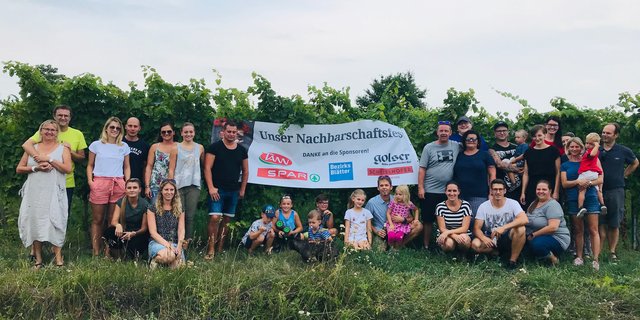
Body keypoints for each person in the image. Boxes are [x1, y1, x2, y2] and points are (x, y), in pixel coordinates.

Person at [16, 120, 72, 269]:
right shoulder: (32, 148)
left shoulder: (62, 149)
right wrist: (36, 168)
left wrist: (50, 160)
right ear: (40, 131)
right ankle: (38, 259)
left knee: (56, 222)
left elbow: (67, 169)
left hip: (54, 191)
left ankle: (58, 259)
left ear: (57, 132)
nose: (49, 132)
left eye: (53, 130)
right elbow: (19, 168)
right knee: (35, 222)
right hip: (35, 191)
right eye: (46, 129)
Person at [22, 105, 87, 213]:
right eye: (60, 115)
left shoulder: (77, 134)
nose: (63, 118)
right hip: (43, 180)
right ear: (54, 116)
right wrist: (41, 160)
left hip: (66, 182)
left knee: (61, 215)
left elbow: (81, 158)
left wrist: (69, 151)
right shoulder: (46, 130)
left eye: (66, 115)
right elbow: (26, 145)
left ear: (70, 118)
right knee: (41, 213)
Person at [204, 120, 249, 259]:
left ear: (237, 133)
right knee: (215, 217)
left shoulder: (242, 150)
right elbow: (207, 168)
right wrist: (211, 188)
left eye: (234, 132)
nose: (231, 134)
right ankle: (210, 249)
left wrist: (242, 189)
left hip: (233, 190)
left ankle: (220, 248)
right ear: (223, 132)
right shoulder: (214, 147)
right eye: (229, 131)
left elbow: (246, 171)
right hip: (217, 190)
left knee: (227, 220)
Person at [87, 117, 131, 256]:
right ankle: (96, 250)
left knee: (113, 220)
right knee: (98, 219)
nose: (115, 130)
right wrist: (91, 182)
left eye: (118, 128)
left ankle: (108, 251)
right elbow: (90, 165)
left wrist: (127, 183)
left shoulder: (123, 146)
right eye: (112, 127)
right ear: (106, 128)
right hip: (100, 182)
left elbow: (127, 166)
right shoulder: (96, 145)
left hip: (118, 183)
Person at [598, 123, 638, 261]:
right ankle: (597, 252)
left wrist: (624, 175)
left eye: (608, 133)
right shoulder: (595, 150)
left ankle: (612, 252)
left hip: (616, 189)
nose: (604, 135)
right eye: (603, 132)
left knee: (614, 221)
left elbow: (635, 163)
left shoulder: (623, 150)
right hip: (598, 190)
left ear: (616, 135)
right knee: (599, 221)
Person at [561, 137, 602, 270]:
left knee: (593, 230)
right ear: (568, 148)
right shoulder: (565, 165)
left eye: (576, 146)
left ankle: (595, 259)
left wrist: (589, 183)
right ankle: (579, 257)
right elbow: (564, 183)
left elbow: (600, 178)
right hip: (573, 199)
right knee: (578, 230)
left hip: (591, 197)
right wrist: (577, 182)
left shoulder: (590, 158)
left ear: (581, 147)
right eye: (571, 147)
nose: (574, 149)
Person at [418, 121, 460, 250]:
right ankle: (426, 245)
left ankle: (444, 244)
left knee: (446, 220)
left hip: (449, 192)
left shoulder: (457, 145)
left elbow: (474, 143)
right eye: (441, 131)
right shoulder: (429, 147)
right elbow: (422, 168)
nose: (443, 133)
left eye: (446, 131)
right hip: (430, 189)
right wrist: (421, 187)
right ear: (437, 132)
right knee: (428, 220)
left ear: (450, 133)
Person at [472, 179, 528, 269]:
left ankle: (512, 262)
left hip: (507, 236)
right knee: (475, 244)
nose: (498, 192)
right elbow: (476, 228)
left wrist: (504, 227)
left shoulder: (513, 203)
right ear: (491, 191)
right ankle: (495, 252)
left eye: (500, 189)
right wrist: (484, 238)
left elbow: (524, 219)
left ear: (505, 191)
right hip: (491, 236)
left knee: (521, 229)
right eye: (495, 189)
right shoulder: (484, 206)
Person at [365, 176, 423, 251]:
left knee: (419, 226)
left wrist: (403, 220)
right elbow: (365, 219)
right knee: (379, 251)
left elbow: (411, 218)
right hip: (382, 232)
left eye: (386, 185)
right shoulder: (372, 202)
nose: (384, 187)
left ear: (391, 187)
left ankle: (397, 247)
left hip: (398, 228)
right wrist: (376, 231)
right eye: (381, 185)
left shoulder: (398, 198)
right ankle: (390, 245)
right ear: (378, 188)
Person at [525, 180, 571, 266]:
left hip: (556, 237)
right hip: (538, 236)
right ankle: (539, 257)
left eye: (544, 189)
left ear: (550, 191)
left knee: (537, 244)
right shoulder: (533, 203)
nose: (540, 192)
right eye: (538, 189)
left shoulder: (553, 205)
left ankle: (553, 259)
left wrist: (534, 235)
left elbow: (553, 227)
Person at [103, 178, 150, 260]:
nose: (132, 190)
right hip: (123, 231)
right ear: (125, 190)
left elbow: (144, 228)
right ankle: (116, 257)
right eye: (129, 188)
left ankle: (134, 256)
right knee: (110, 231)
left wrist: (133, 233)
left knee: (136, 249)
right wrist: (118, 225)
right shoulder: (121, 202)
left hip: (136, 233)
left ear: (139, 190)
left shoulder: (144, 204)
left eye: (135, 188)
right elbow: (113, 220)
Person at [175, 122, 205, 246]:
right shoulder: (175, 147)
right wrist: (171, 185)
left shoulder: (200, 148)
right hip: (178, 185)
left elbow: (203, 165)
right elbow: (171, 168)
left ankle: (187, 244)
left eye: (191, 132)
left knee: (190, 216)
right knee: (177, 215)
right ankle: (176, 242)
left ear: (194, 133)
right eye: (186, 132)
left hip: (194, 185)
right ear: (181, 133)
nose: (188, 134)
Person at [453, 130, 496, 215]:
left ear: (478, 141)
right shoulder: (459, 155)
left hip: (479, 195)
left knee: (476, 221)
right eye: (468, 139)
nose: (471, 141)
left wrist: (492, 191)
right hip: (459, 195)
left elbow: (492, 174)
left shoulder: (485, 155)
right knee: (460, 221)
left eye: (473, 139)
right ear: (464, 141)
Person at [147, 179, 185, 269]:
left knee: (179, 268)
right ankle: (155, 260)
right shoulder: (152, 208)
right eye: (166, 189)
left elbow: (181, 230)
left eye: (171, 190)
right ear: (161, 191)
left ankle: (161, 266)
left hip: (175, 243)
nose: (169, 192)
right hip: (157, 243)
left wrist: (179, 247)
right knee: (170, 256)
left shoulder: (180, 209)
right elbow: (153, 232)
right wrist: (168, 246)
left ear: (175, 192)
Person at [520, 125, 560, 209]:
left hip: (549, 187)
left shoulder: (554, 151)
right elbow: (526, 174)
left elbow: (558, 173)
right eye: (534, 136)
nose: (537, 138)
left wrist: (556, 191)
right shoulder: (529, 152)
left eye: (539, 135)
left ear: (545, 135)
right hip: (532, 188)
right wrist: (523, 192)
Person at [488, 121, 523, 202]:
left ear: (508, 132)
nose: (502, 133)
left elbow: (524, 161)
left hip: (520, 189)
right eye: (499, 131)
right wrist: (518, 169)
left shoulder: (517, 147)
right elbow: (500, 164)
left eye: (504, 130)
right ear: (495, 133)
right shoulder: (492, 149)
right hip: (502, 190)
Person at [435, 181, 472, 253]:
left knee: (464, 241)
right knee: (449, 245)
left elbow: (465, 228)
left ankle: (462, 255)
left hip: (461, 233)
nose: (452, 193)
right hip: (445, 233)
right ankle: (448, 256)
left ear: (459, 192)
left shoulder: (466, 205)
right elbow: (442, 228)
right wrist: (454, 236)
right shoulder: (440, 206)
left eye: (454, 191)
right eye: (449, 191)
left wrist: (449, 232)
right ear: (445, 192)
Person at [576, 133, 607, 218]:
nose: (588, 145)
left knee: (582, 190)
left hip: (586, 172)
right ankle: (602, 204)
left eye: (591, 144)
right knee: (598, 190)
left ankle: (580, 207)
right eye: (587, 143)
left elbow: (592, 154)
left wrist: (596, 146)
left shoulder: (592, 151)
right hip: (594, 174)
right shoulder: (592, 152)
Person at [145, 122, 177, 199]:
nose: (166, 133)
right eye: (163, 132)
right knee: (155, 209)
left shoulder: (179, 147)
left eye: (169, 131)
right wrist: (147, 186)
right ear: (160, 134)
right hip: (156, 185)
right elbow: (149, 167)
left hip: (173, 186)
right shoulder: (155, 147)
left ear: (174, 133)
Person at [384, 185, 419, 249]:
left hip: (402, 225)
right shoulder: (393, 202)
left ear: (405, 195)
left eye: (400, 194)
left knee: (399, 237)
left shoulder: (409, 204)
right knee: (391, 236)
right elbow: (388, 213)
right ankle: (391, 248)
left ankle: (396, 249)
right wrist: (391, 224)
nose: (397, 196)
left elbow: (416, 209)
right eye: (396, 194)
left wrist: (416, 219)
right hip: (393, 224)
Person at [122, 117, 149, 188]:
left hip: (137, 184)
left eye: (135, 126)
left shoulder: (144, 146)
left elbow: (146, 166)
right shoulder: (118, 143)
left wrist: (145, 185)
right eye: (130, 126)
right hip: (119, 183)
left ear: (139, 128)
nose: (132, 129)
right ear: (125, 127)